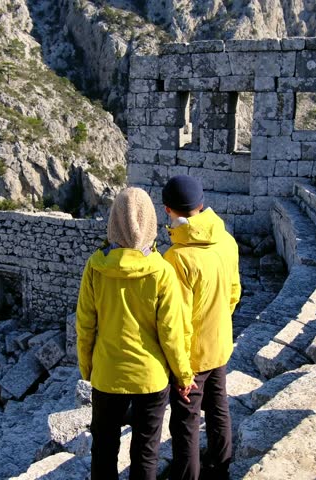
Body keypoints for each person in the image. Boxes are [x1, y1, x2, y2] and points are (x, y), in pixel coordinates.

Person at [76, 187, 196, 480]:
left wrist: (87, 367)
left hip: (107, 375)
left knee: (103, 450)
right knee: (145, 453)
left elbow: (85, 324)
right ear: (151, 222)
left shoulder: (95, 267)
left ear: (113, 221)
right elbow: (171, 332)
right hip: (150, 379)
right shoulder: (161, 271)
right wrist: (183, 376)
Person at [162, 175, 241, 480]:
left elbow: (175, 324)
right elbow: (234, 292)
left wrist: (182, 375)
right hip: (220, 345)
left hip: (192, 359)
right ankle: (221, 468)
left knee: (186, 424)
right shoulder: (226, 240)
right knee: (219, 409)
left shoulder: (176, 259)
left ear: (168, 209)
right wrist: (216, 323)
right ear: (201, 205)